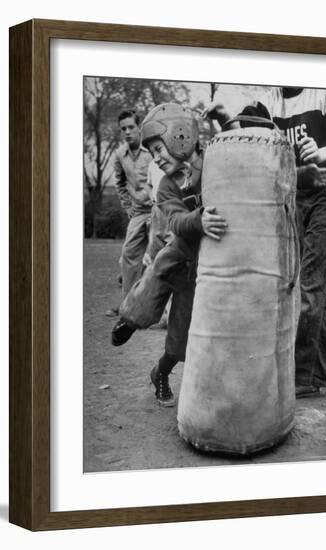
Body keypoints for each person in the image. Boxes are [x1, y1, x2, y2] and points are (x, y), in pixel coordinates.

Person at [204, 87, 326, 398]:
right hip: (290, 197)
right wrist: (226, 118)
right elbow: (251, 147)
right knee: (294, 284)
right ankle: (316, 371)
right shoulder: (267, 102)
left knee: (313, 284)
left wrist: (323, 152)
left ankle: (302, 376)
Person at [112, 103, 228, 406]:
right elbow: (176, 221)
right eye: (151, 152)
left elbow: (240, 158)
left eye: (159, 148)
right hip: (176, 254)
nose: (157, 158)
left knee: (179, 343)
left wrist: (226, 120)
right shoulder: (165, 186)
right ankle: (129, 319)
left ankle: (159, 373)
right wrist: (198, 220)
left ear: (181, 136)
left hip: (199, 270)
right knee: (147, 295)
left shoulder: (214, 164)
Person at [105, 109, 153, 317]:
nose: (127, 132)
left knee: (158, 256)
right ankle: (128, 306)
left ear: (139, 127)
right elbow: (120, 183)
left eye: (131, 127)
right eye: (123, 128)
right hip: (138, 212)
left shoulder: (152, 149)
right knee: (128, 255)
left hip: (158, 210)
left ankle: (160, 309)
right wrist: (128, 207)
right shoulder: (119, 155)